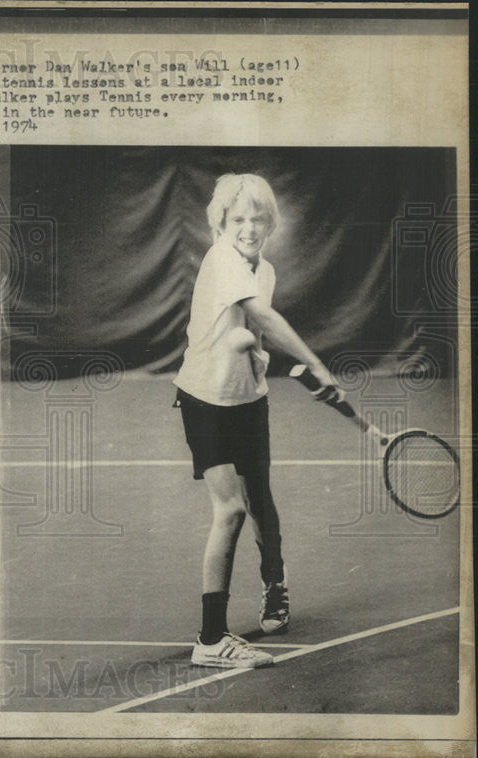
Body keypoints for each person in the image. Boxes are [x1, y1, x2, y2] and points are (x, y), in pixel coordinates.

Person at [173, 173, 342, 669]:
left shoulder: (261, 269)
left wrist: (269, 362)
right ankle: (210, 640)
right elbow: (263, 319)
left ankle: (275, 584)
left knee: (260, 499)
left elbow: (253, 336)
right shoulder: (221, 261)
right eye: (238, 219)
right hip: (204, 399)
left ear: (270, 223)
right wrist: (314, 363)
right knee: (230, 511)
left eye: (257, 218)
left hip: (248, 400)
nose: (248, 228)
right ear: (220, 223)